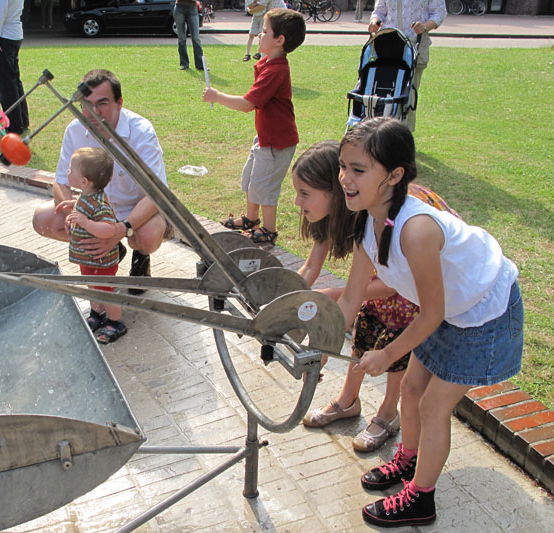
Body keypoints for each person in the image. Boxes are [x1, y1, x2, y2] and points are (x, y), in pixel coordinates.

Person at [333, 117, 522, 527]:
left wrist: (386, 354)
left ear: (395, 175)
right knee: (412, 389)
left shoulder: (416, 230)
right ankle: (411, 459)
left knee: (435, 405)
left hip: (483, 310)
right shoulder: (367, 220)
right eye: (343, 165)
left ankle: (421, 498)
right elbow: (351, 297)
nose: (345, 178)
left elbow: (432, 314)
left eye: (358, 169)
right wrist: (320, 337)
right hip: (446, 310)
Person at [294, 141, 458, 453]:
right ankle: (347, 401)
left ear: (332, 191)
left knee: (394, 346)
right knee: (365, 330)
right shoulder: (340, 213)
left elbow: (395, 285)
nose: (297, 201)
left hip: (418, 285)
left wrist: (334, 295)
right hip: (384, 279)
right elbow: (312, 267)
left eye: (304, 193)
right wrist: (285, 307)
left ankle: (387, 414)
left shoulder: (379, 215)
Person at [32, 69, 171, 296]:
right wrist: (73, 215)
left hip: (135, 211)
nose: (93, 112)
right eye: (87, 105)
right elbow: (60, 182)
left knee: (147, 237)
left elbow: (157, 193)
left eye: (102, 104)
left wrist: (122, 228)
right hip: (93, 208)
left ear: (119, 103)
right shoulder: (75, 129)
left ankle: (141, 256)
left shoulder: (142, 132)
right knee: (42, 219)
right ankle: (112, 250)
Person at [203, 8, 305, 246]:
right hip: (266, 138)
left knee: (265, 186)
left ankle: (269, 230)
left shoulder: (276, 70)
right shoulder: (269, 64)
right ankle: (251, 219)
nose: (259, 34)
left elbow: (248, 104)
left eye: (265, 31)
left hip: (276, 143)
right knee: (251, 178)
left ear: (279, 40)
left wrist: (216, 96)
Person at [65, 147, 127, 344]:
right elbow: (82, 216)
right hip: (89, 259)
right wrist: (72, 221)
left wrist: (85, 223)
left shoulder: (99, 203)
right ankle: (97, 313)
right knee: (93, 287)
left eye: (70, 170)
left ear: (84, 181)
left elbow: (109, 229)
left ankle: (116, 322)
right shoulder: (86, 196)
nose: (67, 172)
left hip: (101, 261)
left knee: (106, 291)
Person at [368, 0, 446, 131]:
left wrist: (424, 26)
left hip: (415, 45)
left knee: (408, 93)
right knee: (385, 89)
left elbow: (439, 12)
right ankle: (381, 133)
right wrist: (374, 22)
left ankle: (404, 135)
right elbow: (379, 12)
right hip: (389, 44)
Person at [0, 0, 30, 163]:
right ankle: (21, 120)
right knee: (14, 81)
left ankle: (14, 125)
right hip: (12, 33)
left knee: (5, 83)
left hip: (3, 35)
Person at [173, 0, 204, 71]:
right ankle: (184, 64)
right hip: (179, 8)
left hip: (192, 8)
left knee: (196, 38)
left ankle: (200, 64)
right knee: (182, 38)